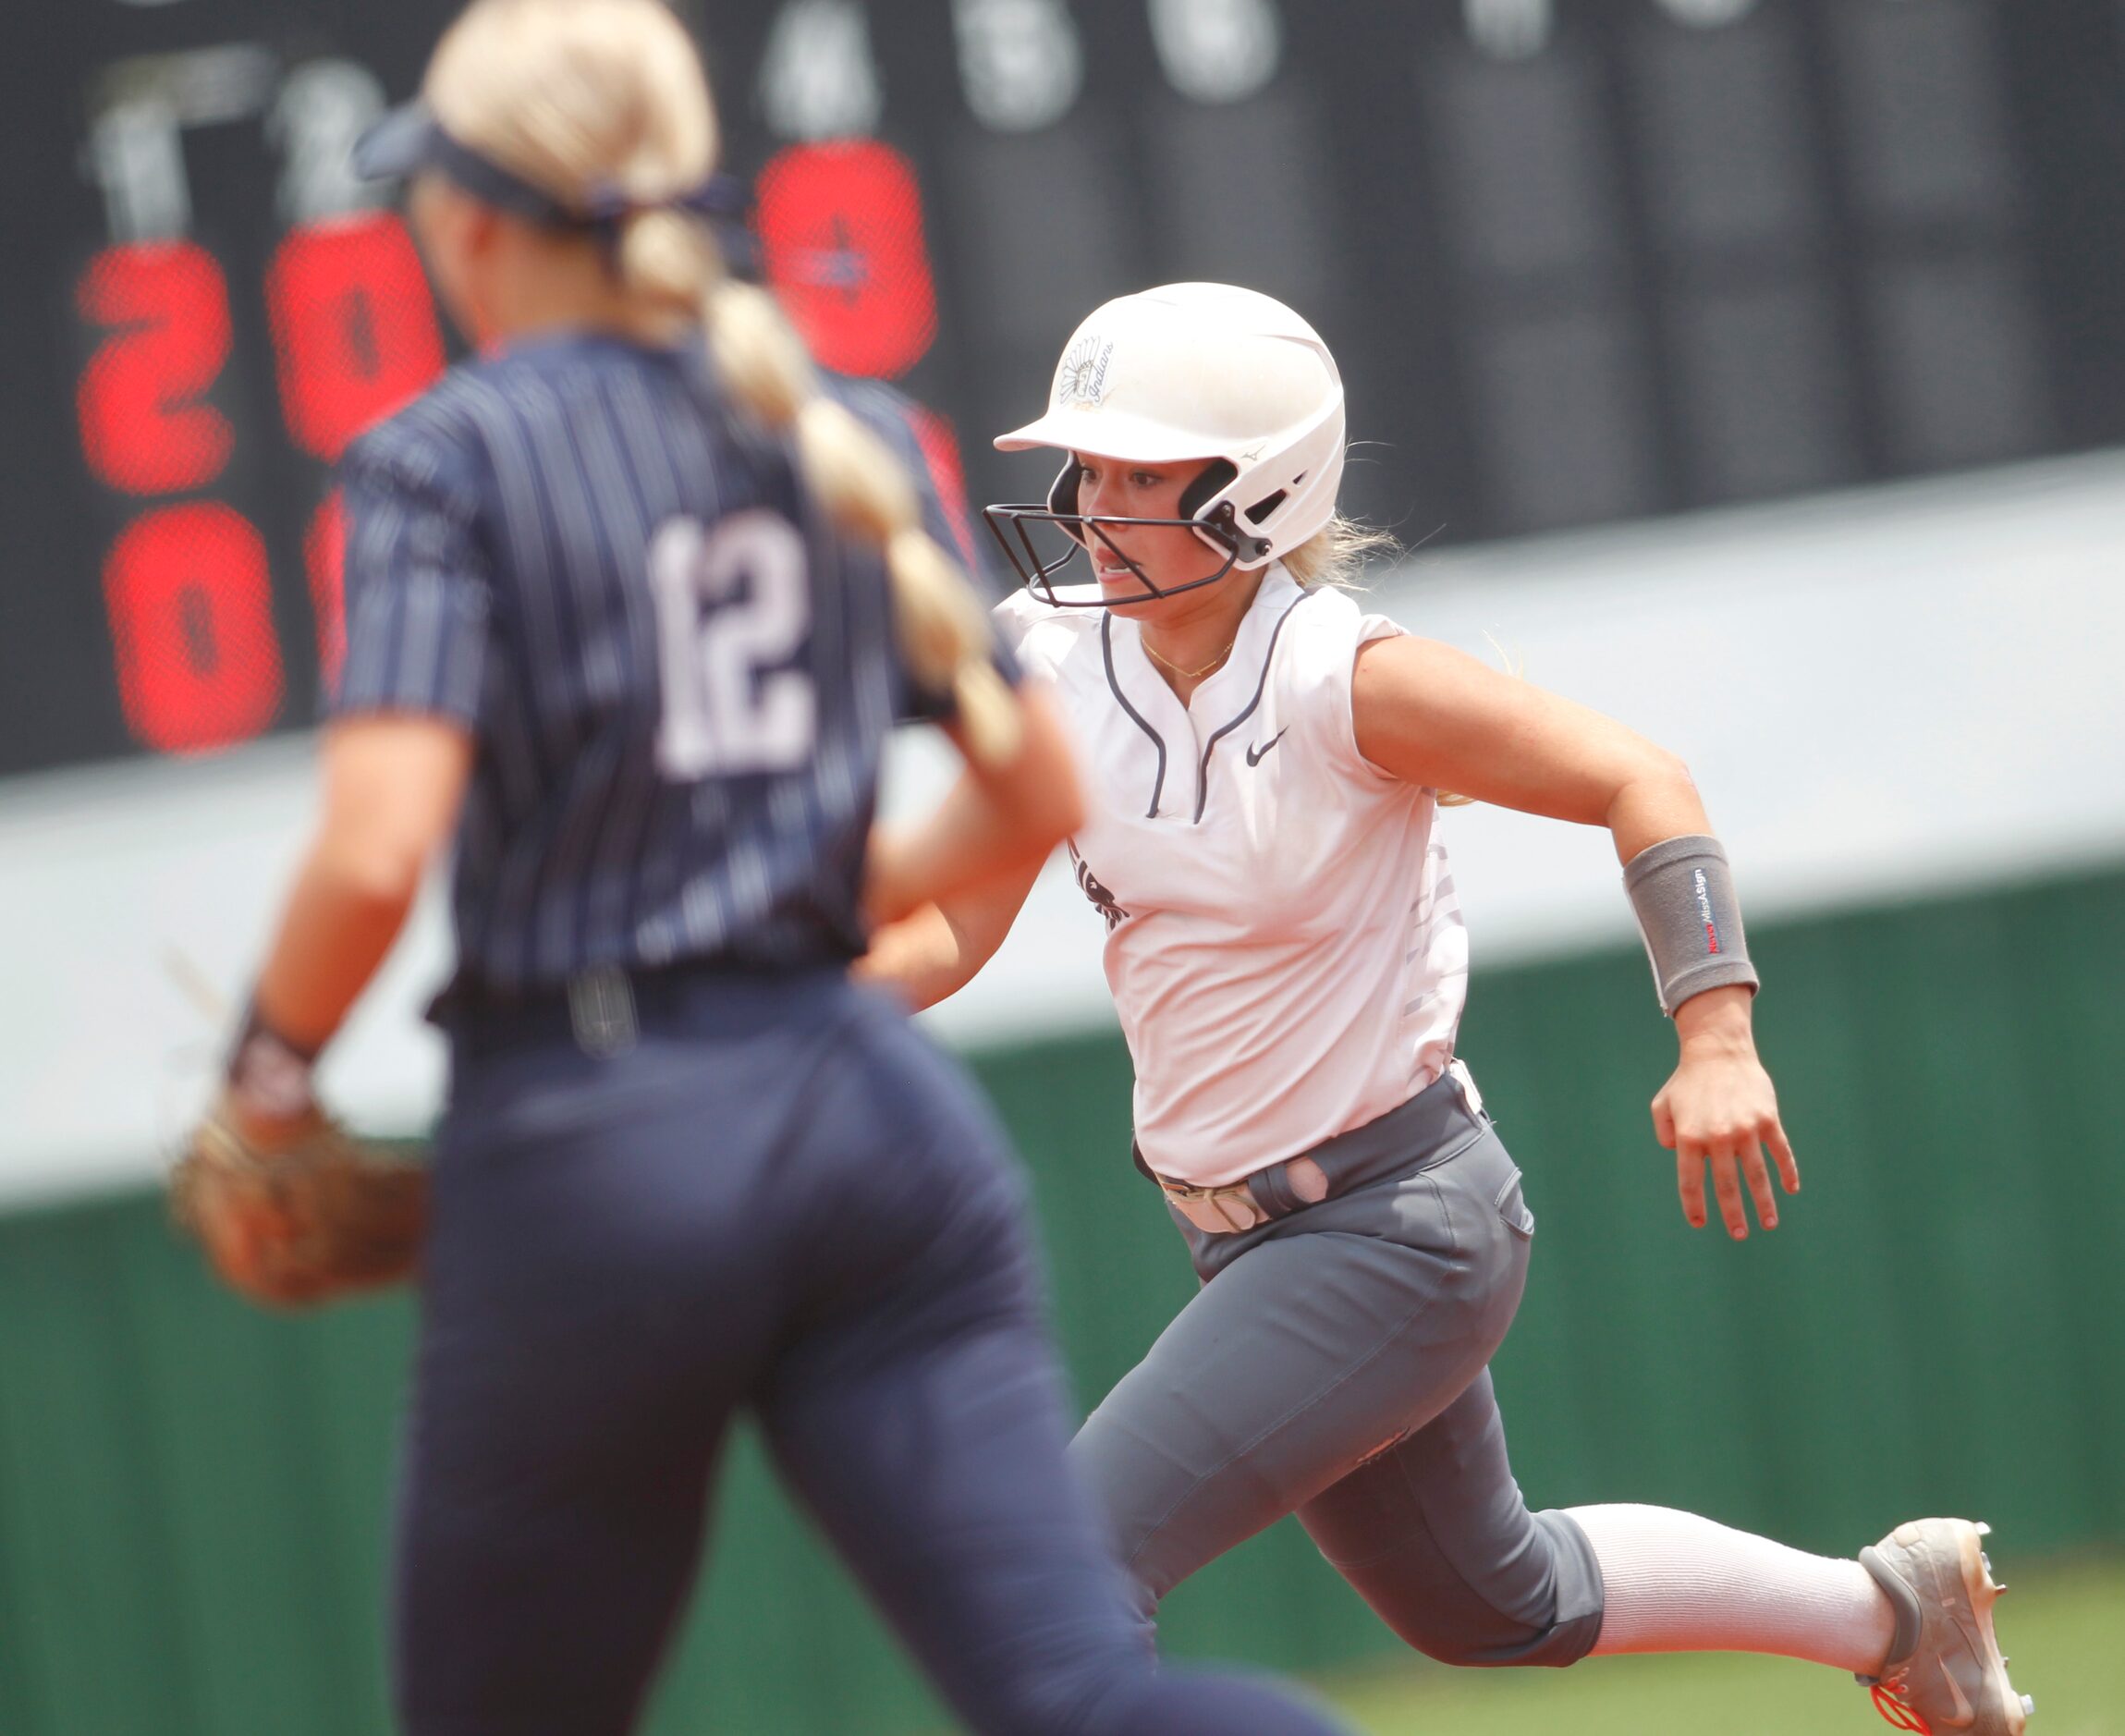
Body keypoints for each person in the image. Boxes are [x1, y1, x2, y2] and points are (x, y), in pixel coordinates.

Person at [181, 15, 1352, 1732]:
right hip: (872, 1129)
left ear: (473, 219)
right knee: (1075, 1701)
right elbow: (1028, 783)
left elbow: (372, 851)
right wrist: (787, 879)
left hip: (600, 1144)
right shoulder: (840, 431)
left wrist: (263, 1086)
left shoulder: (447, 460)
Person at [863, 282, 2034, 1736]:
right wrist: (773, 1003)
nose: (1093, 500)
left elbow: (1641, 780)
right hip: (1248, 1232)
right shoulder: (1055, 655)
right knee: (1497, 1604)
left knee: (1065, 1560)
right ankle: (1895, 1614)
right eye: (1086, 463)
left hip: (1396, 1223)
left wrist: (1717, 1031)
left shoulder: (1344, 678)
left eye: (1141, 470)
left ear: (1254, 493)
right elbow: (957, 922)